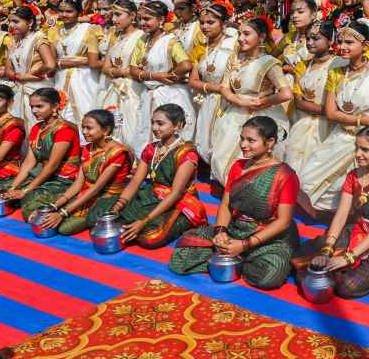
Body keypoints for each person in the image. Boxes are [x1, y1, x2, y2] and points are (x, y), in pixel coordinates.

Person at [169, 116, 299, 290]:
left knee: (269, 276)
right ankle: (235, 257)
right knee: (184, 249)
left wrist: (244, 245)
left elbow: (283, 221)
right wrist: (221, 231)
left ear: (270, 142)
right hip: (236, 230)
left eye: (251, 140)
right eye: (242, 139)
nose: (243, 145)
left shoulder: (285, 175)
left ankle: (236, 257)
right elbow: (225, 205)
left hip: (269, 237)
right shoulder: (238, 166)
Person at [298, 19, 369, 216]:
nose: (342, 47)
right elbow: (331, 113)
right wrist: (366, 120)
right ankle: (337, 216)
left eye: (349, 43)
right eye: (340, 42)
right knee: (305, 181)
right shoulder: (336, 73)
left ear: (365, 46)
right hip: (343, 135)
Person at [293, 124, 369, 298]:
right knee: (303, 256)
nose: (357, 154)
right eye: (356, 148)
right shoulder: (354, 175)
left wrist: (347, 258)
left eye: (365, 150)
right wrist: (328, 248)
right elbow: (341, 215)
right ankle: (332, 269)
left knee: (348, 287)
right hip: (355, 229)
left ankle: (344, 271)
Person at [105, 104, 204, 249]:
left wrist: (144, 221)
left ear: (177, 125)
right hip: (152, 195)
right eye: (153, 122)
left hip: (178, 202)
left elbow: (176, 193)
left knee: (149, 238)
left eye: (160, 123)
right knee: (111, 214)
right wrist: (118, 206)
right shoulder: (151, 149)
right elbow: (136, 181)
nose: (154, 127)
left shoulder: (186, 153)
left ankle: (184, 223)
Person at [210, 16, 292, 185]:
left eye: (246, 34)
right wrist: (238, 101)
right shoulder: (235, 59)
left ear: (261, 37)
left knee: (252, 158)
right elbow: (224, 87)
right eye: (239, 33)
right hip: (234, 112)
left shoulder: (269, 63)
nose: (241, 38)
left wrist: (261, 103)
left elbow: (285, 93)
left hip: (260, 116)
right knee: (221, 156)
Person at [36, 109, 134, 235]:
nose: (84, 132)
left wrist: (63, 212)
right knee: (45, 213)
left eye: (89, 128)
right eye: (83, 127)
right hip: (87, 193)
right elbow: (78, 184)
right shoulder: (88, 149)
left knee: (65, 228)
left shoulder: (117, 152)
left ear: (106, 130)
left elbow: (97, 188)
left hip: (107, 197)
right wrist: (54, 206)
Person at [4, 88, 81, 220]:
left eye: (39, 106)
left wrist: (25, 191)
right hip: (42, 174)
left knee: (30, 206)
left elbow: (52, 165)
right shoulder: (37, 128)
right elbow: (29, 161)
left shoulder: (64, 129)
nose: (34, 111)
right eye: (32, 106)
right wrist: (14, 186)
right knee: (4, 191)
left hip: (62, 180)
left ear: (55, 106)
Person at [130, 0, 197, 147]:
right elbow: (133, 70)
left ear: (160, 20)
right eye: (140, 19)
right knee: (147, 136)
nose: (142, 23)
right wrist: (157, 76)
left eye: (147, 19)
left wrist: (168, 76)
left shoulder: (170, 41)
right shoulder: (143, 40)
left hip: (170, 94)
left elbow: (186, 65)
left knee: (171, 136)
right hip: (149, 93)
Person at [284, 20, 345, 174]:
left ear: (331, 40)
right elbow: (298, 102)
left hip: (328, 127)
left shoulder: (340, 65)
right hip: (301, 123)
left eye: (316, 38)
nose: (310, 43)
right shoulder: (302, 65)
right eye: (308, 38)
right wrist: (329, 112)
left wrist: (335, 115)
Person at [188, 0, 238, 169]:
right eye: (202, 22)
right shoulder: (201, 47)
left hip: (230, 102)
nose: (205, 27)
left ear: (223, 24)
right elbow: (192, 80)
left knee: (224, 144)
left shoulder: (235, 45)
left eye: (210, 22)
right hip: (209, 100)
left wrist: (225, 91)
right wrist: (214, 88)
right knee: (204, 143)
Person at [100, 0, 146, 154]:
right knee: (111, 123)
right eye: (113, 15)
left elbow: (139, 68)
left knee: (132, 124)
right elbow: (105, 67)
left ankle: (133, 160)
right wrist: (119, 72)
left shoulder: (142, 37)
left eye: (118, 15)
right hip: (113, 88)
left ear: (132, 16)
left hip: (133, 89)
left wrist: (120, 72)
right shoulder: (116, 36)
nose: (113, 19)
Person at [51, 0, 103, 128]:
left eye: (69, 11)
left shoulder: (90, 29)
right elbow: (51, 61)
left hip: (86, 79)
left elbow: (97, 59)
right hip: (61, 78)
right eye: (61, 11)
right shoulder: (53, 31)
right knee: (61, 114)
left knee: (86, 111)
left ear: (79, 13)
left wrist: (69, 62)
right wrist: (64, 63)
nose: (64, 15)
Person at [4, 5, 56, 131]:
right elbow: (8, 69)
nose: (11, 25)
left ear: (30, 22)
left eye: (16, 21)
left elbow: (50, 64)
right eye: (10, 21)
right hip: (19, 88)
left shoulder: (39, 39)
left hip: (37, 89)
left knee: (38, 126)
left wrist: (34, 73)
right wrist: (17, 76)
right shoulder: (13, 41)